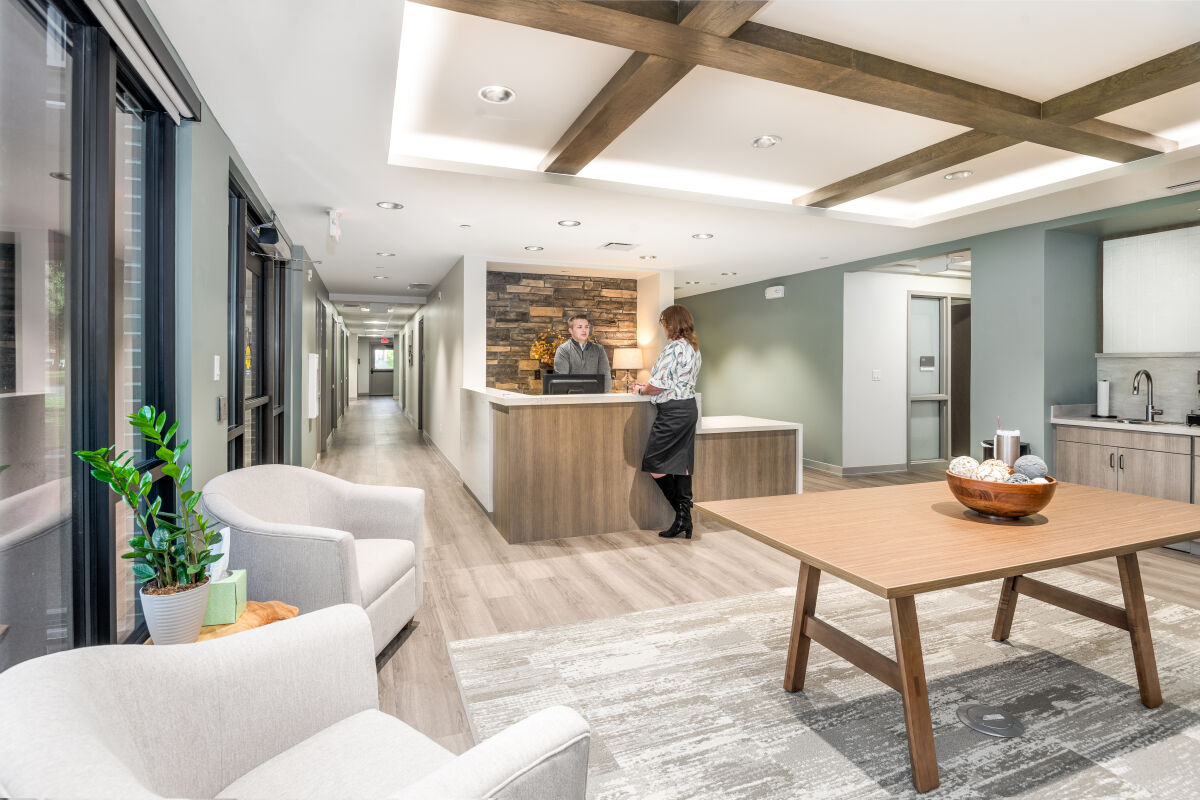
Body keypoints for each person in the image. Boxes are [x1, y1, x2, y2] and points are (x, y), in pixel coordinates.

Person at [630, 304, 702, 539]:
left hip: (672, 412)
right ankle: (684, 519)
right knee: (681, 464)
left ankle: (683, 516)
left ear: (671, 324)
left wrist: (641, 390)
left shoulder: (673, 348)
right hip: (688, 408)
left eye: (663, 324)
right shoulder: (693, 347)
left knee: (654, 462)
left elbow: (658, 385)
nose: (663, 328)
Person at [553, 313, 612, 393]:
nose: (584, 330)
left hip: (595, 399)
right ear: (571, 331)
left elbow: (606, 378)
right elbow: (561, 381)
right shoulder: (563, 350)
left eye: (586, 327)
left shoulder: (599, 350)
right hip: (572, 400)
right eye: (579, 327)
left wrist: (605, 399)